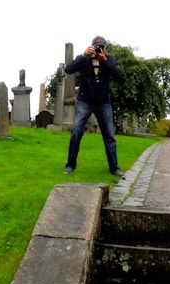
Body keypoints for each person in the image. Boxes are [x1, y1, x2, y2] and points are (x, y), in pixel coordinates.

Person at [63, 36, 125, 179]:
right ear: (91, 46)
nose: (99, 49)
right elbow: (68, 69)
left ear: (105, 48)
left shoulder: (108, 60)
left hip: (103, 102)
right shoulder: (84, 58)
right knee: (76, 131)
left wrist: (104, 61)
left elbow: (118, 76)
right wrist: (83, 55)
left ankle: (114, 168)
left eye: (102, 46)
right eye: (97, 46)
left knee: (109, 134)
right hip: (85, 100)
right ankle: (70, 165)